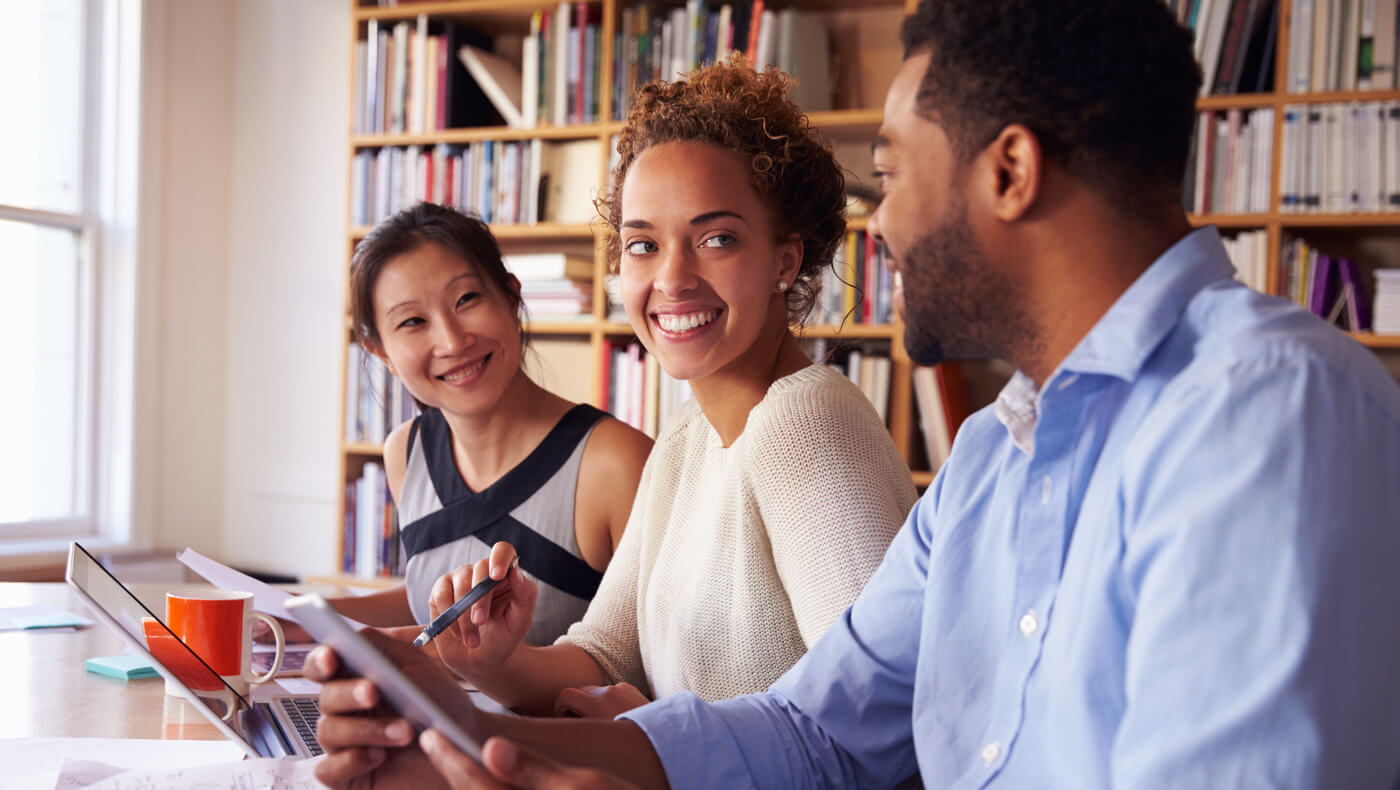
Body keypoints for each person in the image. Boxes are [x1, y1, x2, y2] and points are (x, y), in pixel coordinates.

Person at [311, 0, 1400, 786]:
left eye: (892, 170)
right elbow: (816, 732)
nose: (876, 224)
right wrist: (449, 726)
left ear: (1006, 172)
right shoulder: (990, 458)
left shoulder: (1264, 418)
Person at [414, 56, 917, 719]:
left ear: (784, 260)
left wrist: (649, 732)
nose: (672, 279)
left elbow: (876, 719)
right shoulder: (687, 435)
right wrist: (493, 661)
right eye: (644, 245)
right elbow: (603, 653)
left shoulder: (806, 419)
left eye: (715, 238)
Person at [313, 202, 652, 647]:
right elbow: (436, 602)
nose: (452, 341)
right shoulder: (406, 453)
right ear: (380, 352)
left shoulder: (615, 462)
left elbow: (652, 657)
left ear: (511, 298)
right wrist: (304, 615)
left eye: (467, 299)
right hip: (434, 717)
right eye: (412, 321)